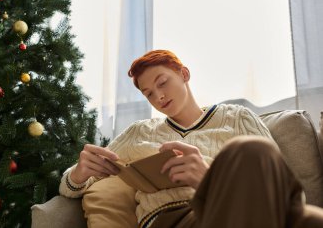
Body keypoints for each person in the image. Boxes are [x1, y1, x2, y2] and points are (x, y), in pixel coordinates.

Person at [59, 49, 323, 228]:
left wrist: (208, 178)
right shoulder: (140, 133)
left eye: (162, 83)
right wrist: (78, 174)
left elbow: (282, 186)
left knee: (253, 152)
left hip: (232, 209)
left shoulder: (237, 118)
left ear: (184, 75)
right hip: (171, 220)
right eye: (149, 93)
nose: (158, 97)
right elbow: (72, 186)